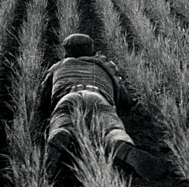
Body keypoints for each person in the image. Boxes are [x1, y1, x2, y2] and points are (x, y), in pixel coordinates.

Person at [38, 33, 165, 179]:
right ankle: (118, 142)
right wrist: (130, 104)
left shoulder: (57, 67)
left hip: (67, 97)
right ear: (91, 49)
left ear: (66, 52)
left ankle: (61, 134)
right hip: (98, 97)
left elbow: (43, 97)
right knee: (112, 129)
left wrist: (43, 109)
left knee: (62, 122)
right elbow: (122, 93)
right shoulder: (105, 64)